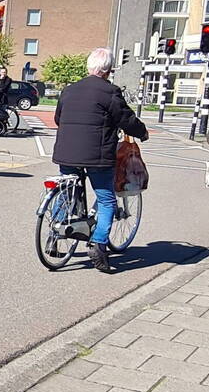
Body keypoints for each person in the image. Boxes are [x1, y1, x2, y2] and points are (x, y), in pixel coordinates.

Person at [52, 48, 149, 273]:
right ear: (108, 70)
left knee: (66, 193)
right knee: (107, 201)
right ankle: (98, 245)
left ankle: (54, 237)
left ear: (89, 67)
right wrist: (142, 132)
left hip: (66, 152)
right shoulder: (110, 91)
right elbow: (126, 119)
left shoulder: (69, 90)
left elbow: (58, 118)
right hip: (97, 156)